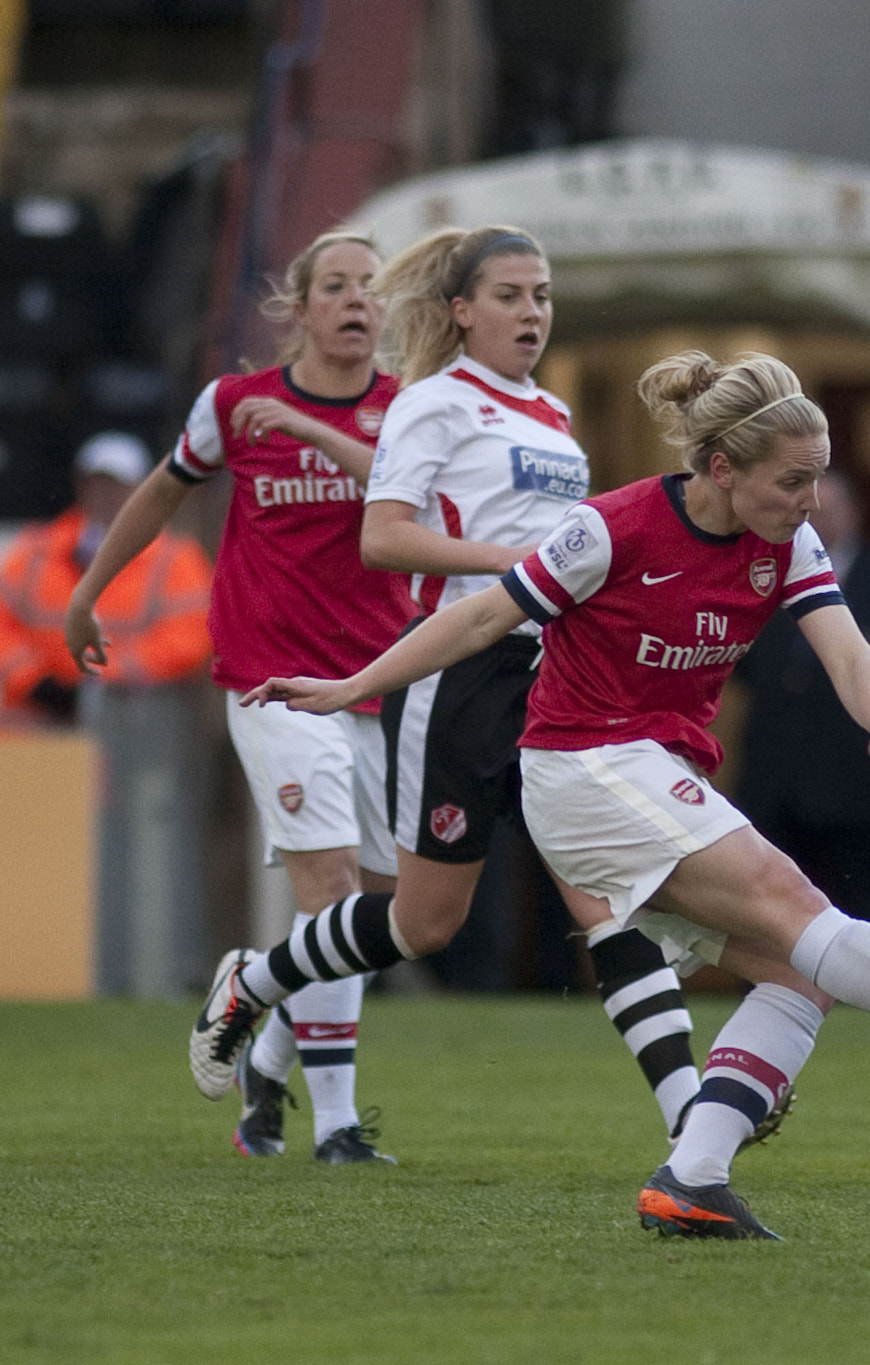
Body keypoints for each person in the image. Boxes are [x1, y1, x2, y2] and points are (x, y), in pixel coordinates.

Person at [223, 349, 870, 1240]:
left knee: (798, 976)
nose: (811, 501)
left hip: (653, 770)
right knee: (794, 907)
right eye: (793, 480)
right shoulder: (612, 529)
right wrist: (346, 687)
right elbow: (482, 615)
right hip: (580, 767)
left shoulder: (787, 539)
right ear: (722, 470)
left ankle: (693, 1175)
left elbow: (846, 650)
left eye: (818, 477)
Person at [182, 225, 722, 1151]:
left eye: (543, 295)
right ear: (462, 311)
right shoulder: (430, 404)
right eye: (510, 295)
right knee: (424, 922)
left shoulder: (552, 416)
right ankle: (258, 983)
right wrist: (519, 565)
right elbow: (383, 539)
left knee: (606, 897)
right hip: (458, 674)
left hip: (556, 680)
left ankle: (695, 1120)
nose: (532, 312)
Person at [65, 232, 410, 1163]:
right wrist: (88, 592)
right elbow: (159, 493)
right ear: (296, 308)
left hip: (378, 683)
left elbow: (407, 497)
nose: (355, 302)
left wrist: (312, 433)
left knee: (380, 913)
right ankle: (337, 1125)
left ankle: (258, 1023)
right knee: (333, 887)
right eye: (335, 286)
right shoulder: (234, 403)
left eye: (371, 289)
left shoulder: (407, 411)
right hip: (272, 682)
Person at [734, 468, 870, 934]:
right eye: (810, 512)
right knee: (769, 905)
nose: (818, 523)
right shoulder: (760, 575)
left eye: (829, 511)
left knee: (864, 903)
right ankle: (771, 993)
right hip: (777, 776)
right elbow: (744, 662)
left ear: (856, 514)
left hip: (856, 778)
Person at [2, 431, 210, 724]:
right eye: (96, 483)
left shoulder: (175, 558)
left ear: (142, 489)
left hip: (134, 721)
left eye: (117, 485)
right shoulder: (34, 552)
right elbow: (4, 626)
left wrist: (98, 681)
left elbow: (190, 639)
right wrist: (35, 682)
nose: (106, 494)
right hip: (38, 724)